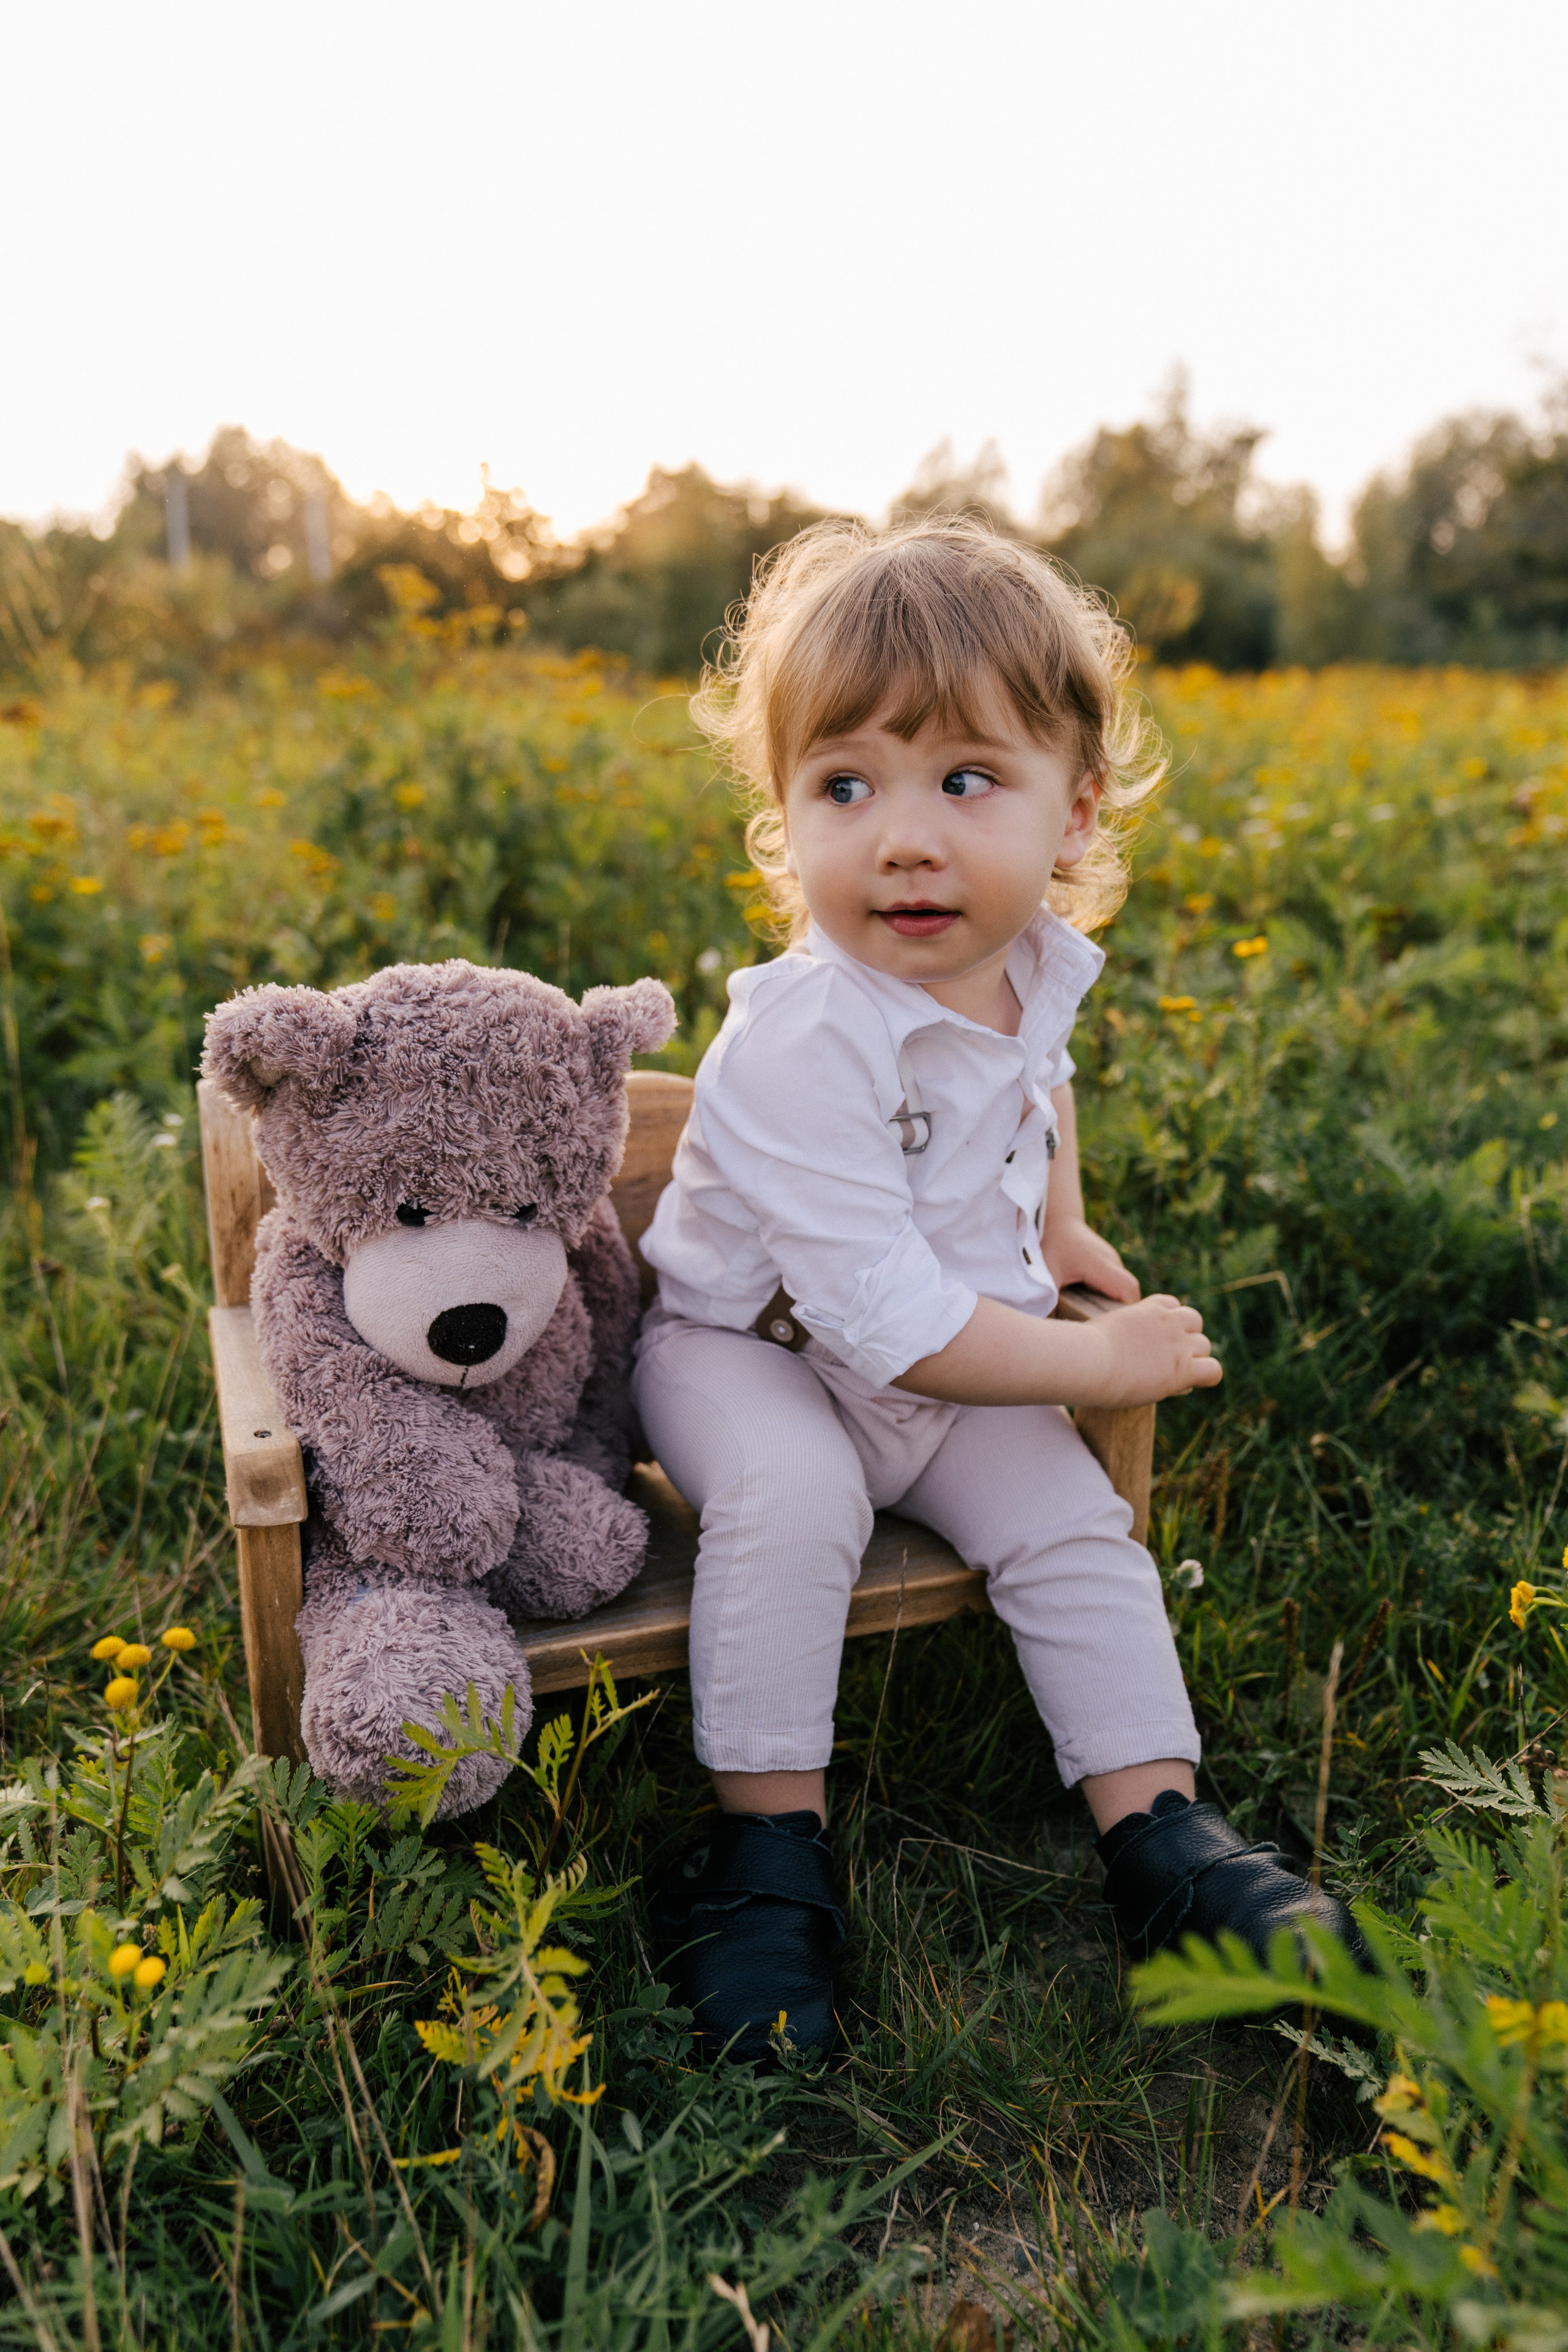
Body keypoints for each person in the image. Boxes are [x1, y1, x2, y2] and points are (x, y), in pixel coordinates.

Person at [635, 517, 1366, 2061]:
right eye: (844, 786)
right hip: (753, 1352)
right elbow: (886, 1324)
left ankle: (1160, 1834)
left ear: (1072, 809)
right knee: (792, 1498)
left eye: (965, 780)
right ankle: (762, 1847)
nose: (903, 839)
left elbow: (1039, 1084)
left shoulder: (1025, 963)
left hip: (951, 1354)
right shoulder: (801, 1037)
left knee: (1069, 1530)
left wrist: (1062, 1221)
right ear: (782, 815)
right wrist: (1101, 1361)